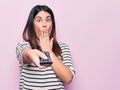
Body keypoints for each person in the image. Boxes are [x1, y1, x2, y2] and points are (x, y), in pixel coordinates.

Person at [16, 5, 75, 90]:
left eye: (48, 20)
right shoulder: (24, 45)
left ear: (52, 24)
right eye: (39, 20)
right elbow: (26, 54)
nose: (44, 24)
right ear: (32, 24)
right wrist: (32, 54)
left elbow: (68, 78)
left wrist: (48, 51)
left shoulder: (63, 47)